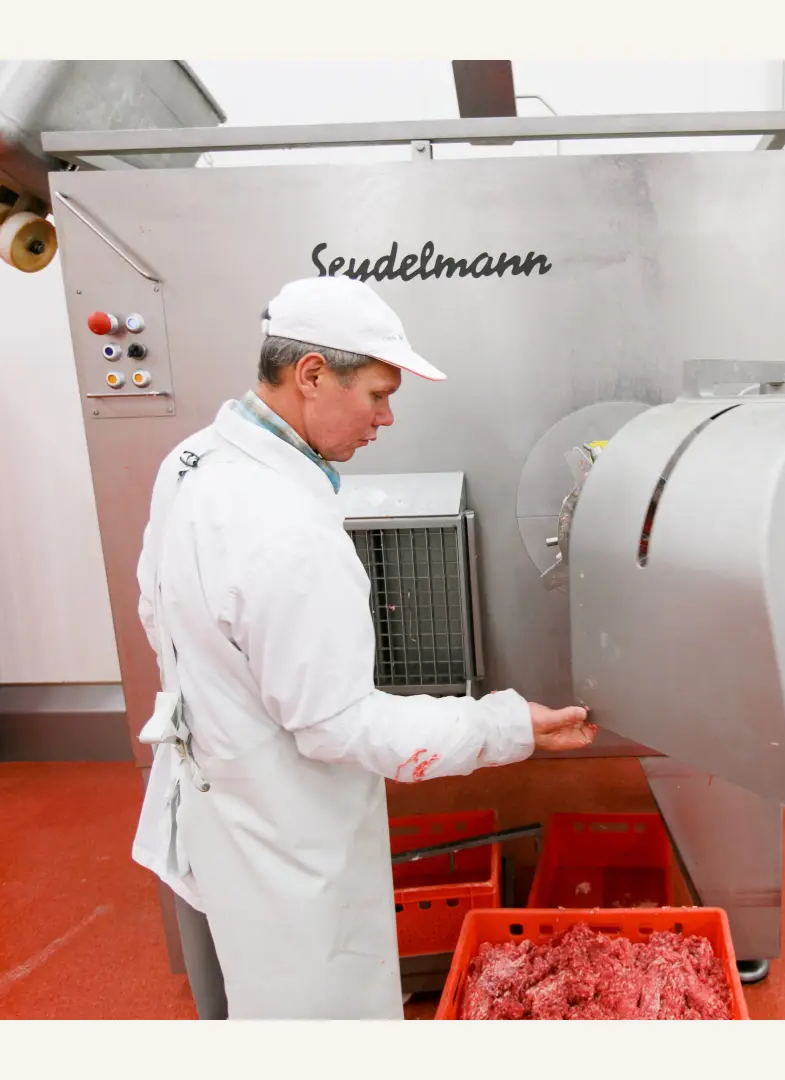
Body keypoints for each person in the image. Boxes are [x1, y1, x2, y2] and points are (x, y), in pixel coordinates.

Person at [130, 275, 597, 1020]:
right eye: (378, 394)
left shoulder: (193, 461)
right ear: (312, 374)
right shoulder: (284, 528)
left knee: (264, 995)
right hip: (291, 832)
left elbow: (155, 606)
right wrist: (509, 725)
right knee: (322, 1009)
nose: (386, 418)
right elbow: (339, 725)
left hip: (229, 796)